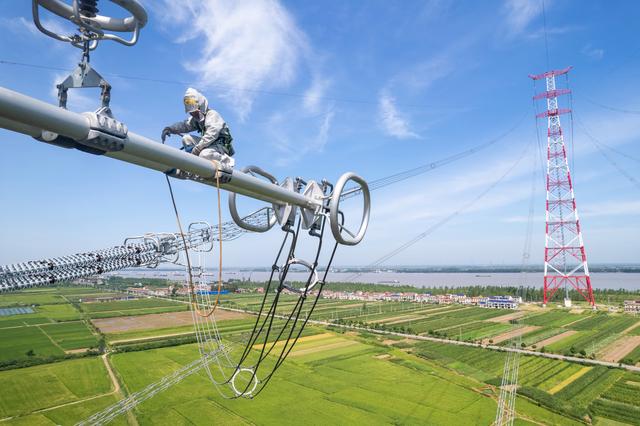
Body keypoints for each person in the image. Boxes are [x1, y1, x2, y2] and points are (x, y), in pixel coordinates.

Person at [161, 88, 235, 169]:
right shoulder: (197, 120)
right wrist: (170, 129)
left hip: (221, 146)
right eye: (191, 113)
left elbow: (211, 135)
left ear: (201, 107)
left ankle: (226, 161)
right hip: (209, 145)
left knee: (204, 155)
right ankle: (193, 164)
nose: (193, 115)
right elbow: (185, 125)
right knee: (186, 138)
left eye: (195, 112)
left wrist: (197, 149)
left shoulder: (212, 115)